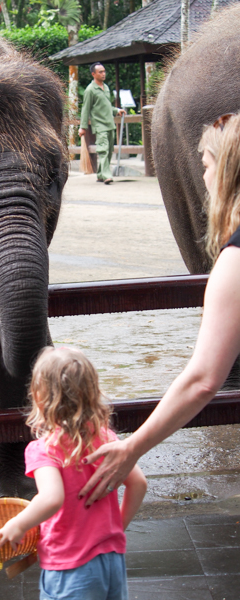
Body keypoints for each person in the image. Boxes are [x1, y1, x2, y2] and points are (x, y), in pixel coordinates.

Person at [77, 111, 240, 506]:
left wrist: (131, 448)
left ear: (227, 173)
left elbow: (202, 380)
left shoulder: (234, 263)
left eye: (206, 166)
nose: (203, 178)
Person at [0, 346, 147, 600]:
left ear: (39, 399)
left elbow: (52, 498)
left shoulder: (44, 449)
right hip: (111, 559)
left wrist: (17, 525)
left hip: (70, 565)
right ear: (93, 393)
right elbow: (138, 483)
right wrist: (117, 526)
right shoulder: (107, 438)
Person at [78, 63, 126, 185]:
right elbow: (85, 109)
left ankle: (100, 174)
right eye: (100, 72)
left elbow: (107, 105)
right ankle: (106, 175)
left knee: (109, 150)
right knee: (103, 149)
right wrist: (83, 127)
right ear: (93, 74)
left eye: (104, 71)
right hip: (99, 125)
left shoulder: (106, 87)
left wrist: (116, 110)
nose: (103, 74)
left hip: (109, 123)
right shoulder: (90, 90)